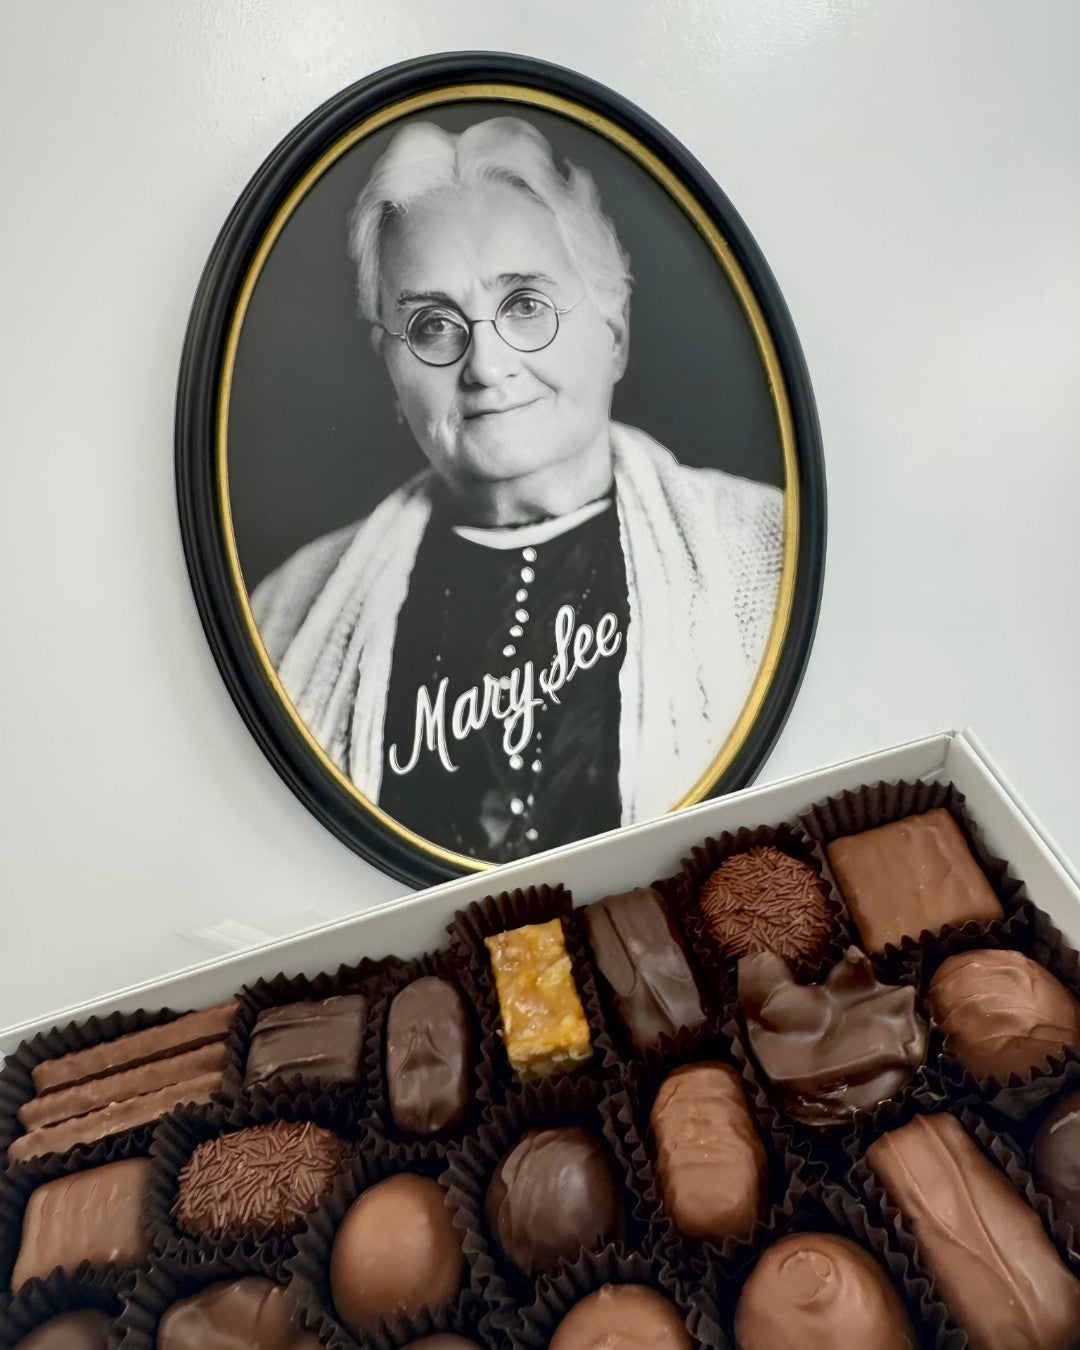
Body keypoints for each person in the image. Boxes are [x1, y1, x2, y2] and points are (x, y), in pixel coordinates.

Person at [252, 116, 782, 864]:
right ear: (391, 372)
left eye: (525, 305)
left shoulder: (768, 551)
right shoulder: (284, 615)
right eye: (433, 325)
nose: (486, 366)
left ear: (615, 330)